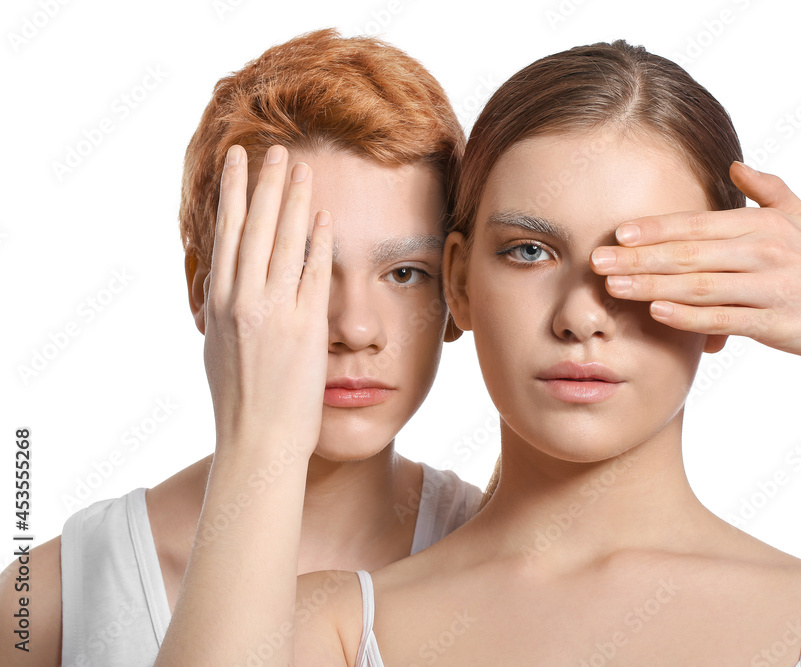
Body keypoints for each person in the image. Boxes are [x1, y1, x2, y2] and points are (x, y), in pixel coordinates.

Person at [154, 40, 801, 666]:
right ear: (458, 284)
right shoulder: (325, 628)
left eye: (640, 262)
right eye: (528, 252)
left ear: (722, 300)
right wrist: (260, 430)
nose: (582, 316)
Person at [0, 28, 482, 667]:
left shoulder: (497, 549)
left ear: (455, 294)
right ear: (205, 291)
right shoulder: (50, 597)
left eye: (404, 273)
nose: (356, 327)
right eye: (295, 267)